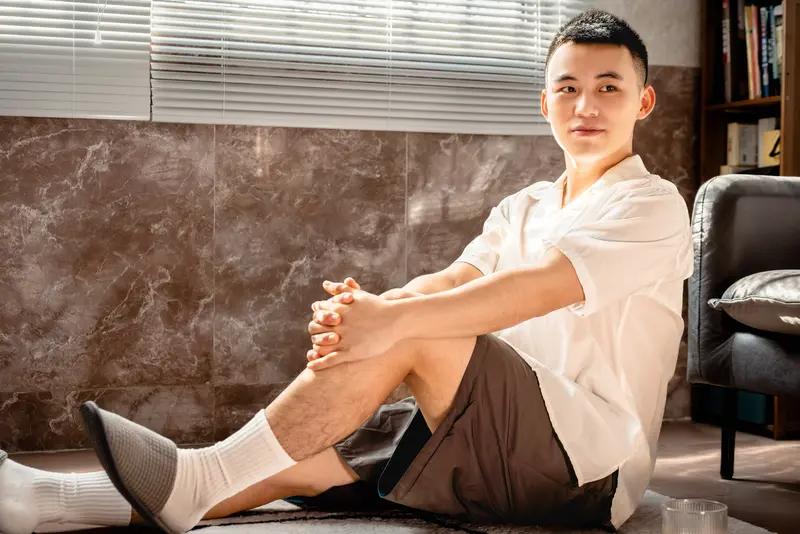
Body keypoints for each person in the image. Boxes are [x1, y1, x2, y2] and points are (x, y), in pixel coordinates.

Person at [0, 8, 694, 534]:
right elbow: (456, 280)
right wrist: (370, 309)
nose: (585, 105)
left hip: (588, 467)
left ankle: (203, 471)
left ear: (643, 102)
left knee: (411, 330)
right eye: (567, 88)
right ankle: (47, 501)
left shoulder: (652, 203)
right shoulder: (526, 204)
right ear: (544, 104)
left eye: (608, 87)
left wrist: (391, 322)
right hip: (499, 425)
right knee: (303, 464)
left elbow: (536, 287)